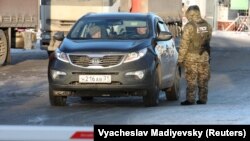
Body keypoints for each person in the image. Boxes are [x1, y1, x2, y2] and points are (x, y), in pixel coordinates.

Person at [177, 5, 212, 105]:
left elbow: (184, 44)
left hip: (191, 57)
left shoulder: (189, 26)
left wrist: (180, 59)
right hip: (204, 56)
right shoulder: (208, 25)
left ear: (191, 14)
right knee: (203, 78)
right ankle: (202, 99)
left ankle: (190, 99)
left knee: (191, 79)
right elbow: (207, 42)